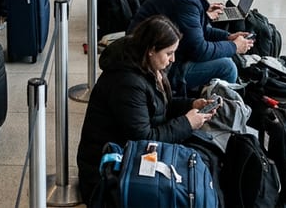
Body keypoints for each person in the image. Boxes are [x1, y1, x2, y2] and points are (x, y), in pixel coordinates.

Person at [75, 15, 217, 202]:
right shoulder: (127, 83)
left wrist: (191, 105)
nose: (173, 59)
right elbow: (143, 139)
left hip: (128, 152)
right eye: (169, 53)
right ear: (151, 50)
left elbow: (158, 108)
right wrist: (187, 123)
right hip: (106, 169)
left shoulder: (146, 66)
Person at [130, 0, 253, 94]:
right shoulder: (186, 0)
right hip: (153, 65)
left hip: (158, 53)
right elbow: (199, 50)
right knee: (227, 66)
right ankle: (223, 111)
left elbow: (199, 31)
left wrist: (227, 37)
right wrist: (233, 47)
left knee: (223, 53)